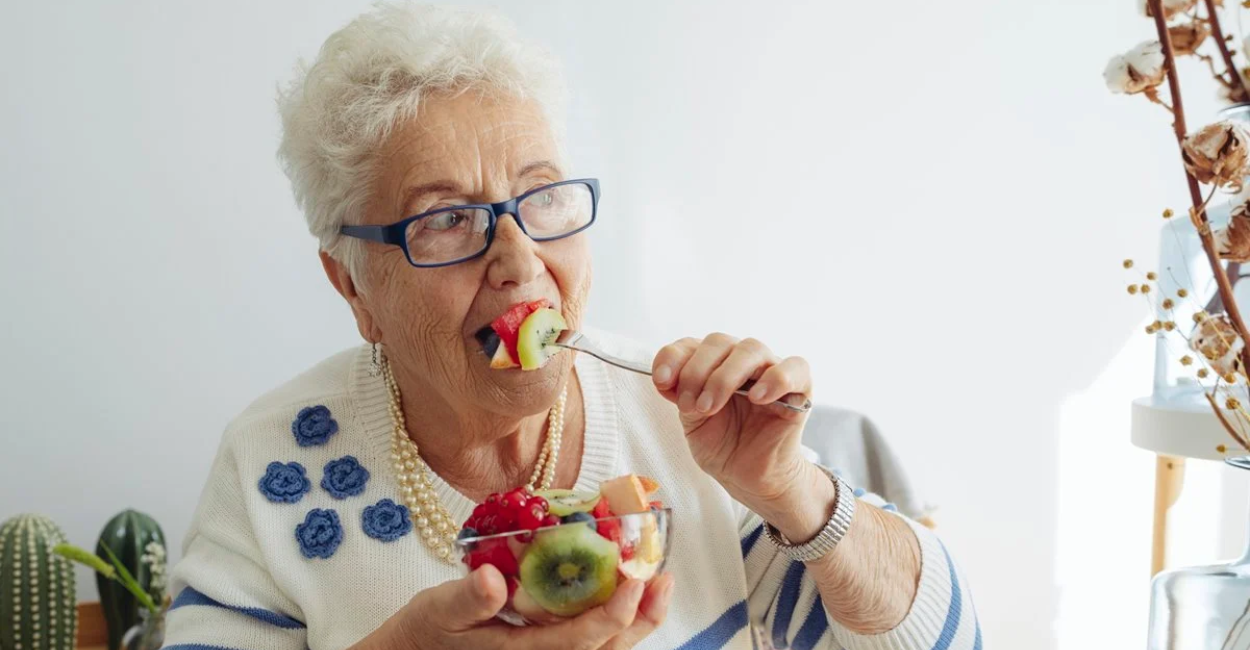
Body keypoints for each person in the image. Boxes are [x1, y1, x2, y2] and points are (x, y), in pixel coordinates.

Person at [164, 4, 979, 649]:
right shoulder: (273, 465)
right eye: (447, 219)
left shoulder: (687, 430)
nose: (519, 261)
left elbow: (947, 642)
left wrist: (788, 490)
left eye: (541, 199)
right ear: (353, 284)